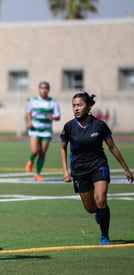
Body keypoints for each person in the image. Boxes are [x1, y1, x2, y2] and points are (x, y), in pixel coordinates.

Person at [59, 91, 133, 245]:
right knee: (91, 208)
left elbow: (112, 147)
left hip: (99, 166)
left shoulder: (99, 125)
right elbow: (62, 148)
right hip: (79, 170)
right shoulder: (69, 127)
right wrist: (66, 171)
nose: (76, 108)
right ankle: (98, 214)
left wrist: (126, 169)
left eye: (80, 105)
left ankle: (104, 235)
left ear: (88, 106)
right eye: (74, 106)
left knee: (101, 201)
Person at [25, 81, 61, 181]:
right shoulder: (33, 100)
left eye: (46, 88)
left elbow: (58, 116)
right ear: (39, 89)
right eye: (42, 88)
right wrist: (29, 122)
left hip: (46, 130)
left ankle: (37, 174)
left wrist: (52, 117)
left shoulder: (53, 102)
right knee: (34, 151)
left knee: (42, 152)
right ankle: (30, 161)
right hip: (35, 129)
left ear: (48, 90)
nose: (44, 90)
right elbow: (28, 113)